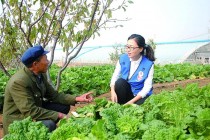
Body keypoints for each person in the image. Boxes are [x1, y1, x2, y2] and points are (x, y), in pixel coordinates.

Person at [3, 45, 93, 135]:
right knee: (49, 124)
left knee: (64, 107)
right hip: (19, 119)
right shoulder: (19, 82)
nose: (48, 62)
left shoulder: (40, 75)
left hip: (35, 107)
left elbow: (54, 95)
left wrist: (77, 98)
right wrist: (58, 115)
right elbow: (30, 111)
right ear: (35, 64)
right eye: (45, 59)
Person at [110, 34, 155, 105]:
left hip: (140, 96)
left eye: (132, 48)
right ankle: (121, 106)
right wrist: (112, 91)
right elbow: (115, 76)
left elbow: (147, 88)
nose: (128, 50)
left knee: (142, 106)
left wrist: (130, 103)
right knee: (119, 82)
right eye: (127, 47)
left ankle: (125, 105)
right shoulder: (122, 58)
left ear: (141, 49)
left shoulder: (148, 64)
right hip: (128, 92)